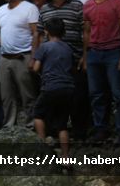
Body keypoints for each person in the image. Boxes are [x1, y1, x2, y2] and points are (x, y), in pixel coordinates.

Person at [82, 0, 120, 145]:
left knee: (119, 93)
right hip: (94, 53)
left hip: (113, 51)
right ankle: (101, 129)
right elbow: (86, 33)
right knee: (96, 94)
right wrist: (86, 57)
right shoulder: (87, 6)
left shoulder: (118, 3)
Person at [37, 0, 89, 139]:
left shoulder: (77, 6)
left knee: (78, 98)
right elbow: (39, 35)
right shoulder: (44, 9)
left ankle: (80, 133)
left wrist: (85, 56)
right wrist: (36, 57)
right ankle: (56, 133)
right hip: (51, 65)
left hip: (74, 60)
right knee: (53, 99)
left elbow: (86, 31)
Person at [0, 0, 40, 127]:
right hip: (5, 58)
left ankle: (31, 125)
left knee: (27, 94)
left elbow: (36, 33)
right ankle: (9, 125)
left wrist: (34, 57)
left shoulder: (29, 8)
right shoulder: (2, 9)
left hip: (23, 56)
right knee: (6, 96)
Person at [32, 18, 74, 158]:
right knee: (62, 124)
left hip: (50, 86)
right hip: (68, 87)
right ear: (63, 32)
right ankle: (66, 157)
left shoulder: (45, 47)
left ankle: (43, 151)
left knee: (38, 114)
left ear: (46, 31)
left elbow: (36, 67)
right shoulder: (68, 48)